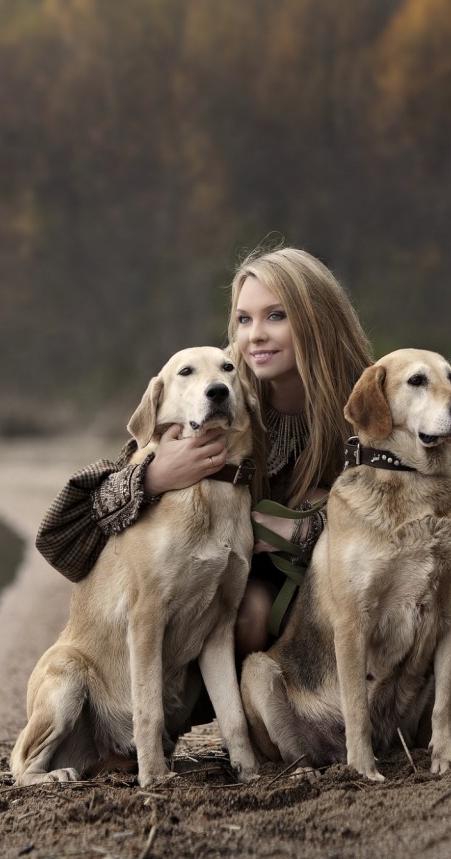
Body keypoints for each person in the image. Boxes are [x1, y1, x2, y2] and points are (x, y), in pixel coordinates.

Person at [35, 243, 374, 655]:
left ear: (318, 319)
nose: (255, 335)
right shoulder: (216, 385)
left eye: (277, 316)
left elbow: (404, 512)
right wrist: (155, 476)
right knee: (250, 614)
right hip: (228, 579)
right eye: (244, 319)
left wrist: (308, 526)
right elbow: (69, 534)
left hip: (345, 575)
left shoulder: (367, 401)